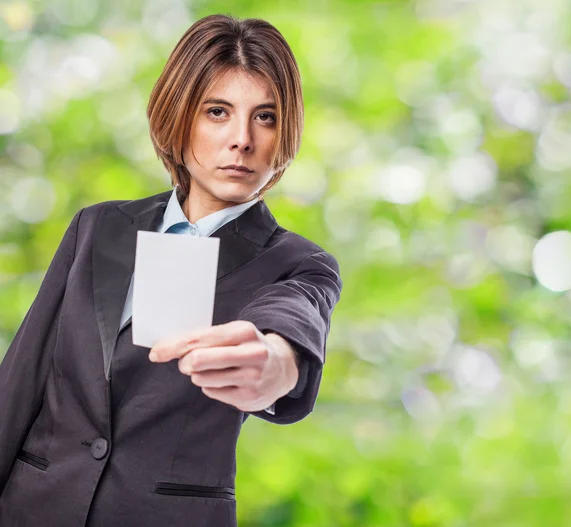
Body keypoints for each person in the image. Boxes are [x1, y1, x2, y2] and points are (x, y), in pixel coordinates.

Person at [0, 14, 343, 527]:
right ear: (179, 117)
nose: (242, 139)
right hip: (30, 509)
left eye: (265, 117)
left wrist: (275, 363)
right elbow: (20, 381)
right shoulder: (97, 228)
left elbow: (293, 321)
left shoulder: (298, 264)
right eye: (218, 112)